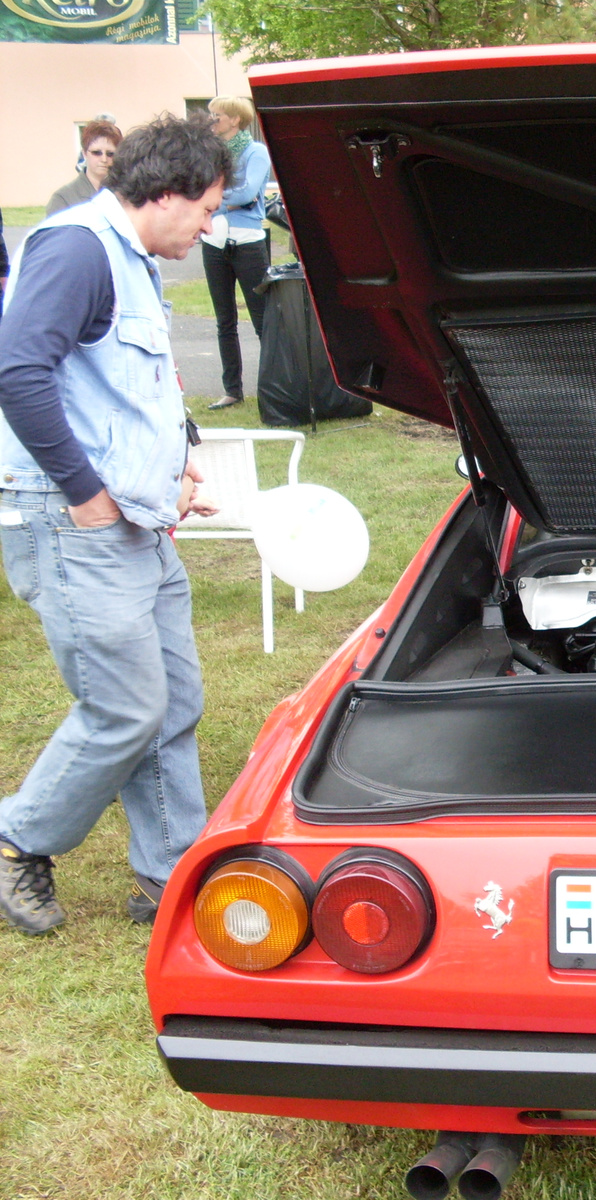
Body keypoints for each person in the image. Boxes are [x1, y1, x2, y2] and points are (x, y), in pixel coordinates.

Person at [0, 114, 227, 935]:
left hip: (136, 517)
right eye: (205, 209)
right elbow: (19, 372)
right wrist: (86, 494)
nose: (209, 228)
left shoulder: (134, 257)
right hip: (73, 520)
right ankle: (16, 839)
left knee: (174, 701)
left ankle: (168, 876)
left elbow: (132, 384)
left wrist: (180, 458)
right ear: (162, 194)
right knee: (125, 708)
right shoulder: (77, 248)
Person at [201, 96, 272, 412]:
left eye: (217, 114)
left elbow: (247, 192)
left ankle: (273, 385)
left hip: (247, 240)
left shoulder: (256, 152)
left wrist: (216, 199)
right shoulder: (211, 153)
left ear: (235, 119)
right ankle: (232, 390)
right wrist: (225, 200)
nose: (212, 118)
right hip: (214, 241)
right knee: (224, 319)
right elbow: (199, 189)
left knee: (263, 319)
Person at [46, 121, 123, 216]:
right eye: (96, 152)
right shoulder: (63, 199)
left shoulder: (127, 194)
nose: (104, 159)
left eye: (110, 154)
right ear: (85, 153)